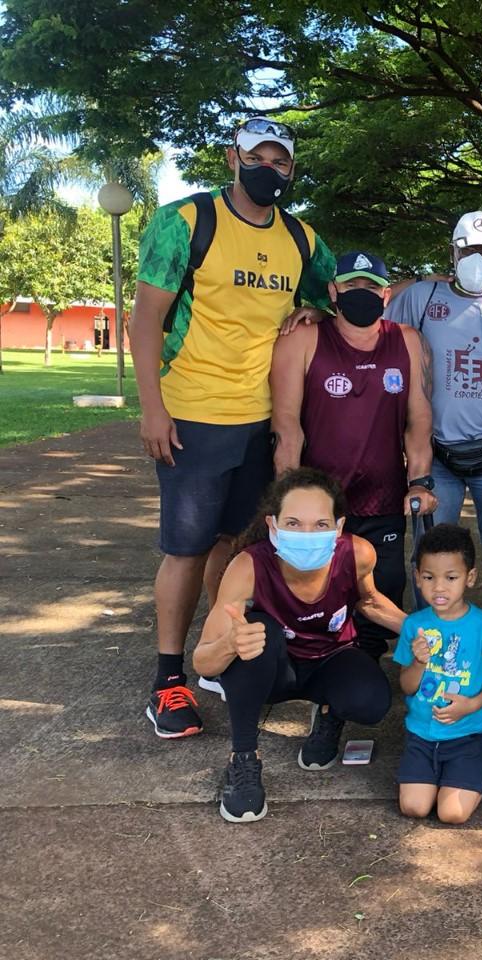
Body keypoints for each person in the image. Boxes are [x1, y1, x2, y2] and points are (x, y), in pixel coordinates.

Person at [131, 116, 336, 739]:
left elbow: (341, 291)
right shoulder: (185, 223)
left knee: (238, 546)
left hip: (262, 421)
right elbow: (145, 321)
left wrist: (314, 306)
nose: (268, 170)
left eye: (281, 162)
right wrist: (152, 408)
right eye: (258, 157)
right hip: (193, 414)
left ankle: (218, 654)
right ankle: (169, 680)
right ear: (232, 158)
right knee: (186, 550)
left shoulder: (301, 239)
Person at [192, 468, 406, 822]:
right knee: (258, 633)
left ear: (338, 527)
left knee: (372, 703)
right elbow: (202, 662)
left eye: (321, 524)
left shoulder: (359, 553)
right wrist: (230, 644)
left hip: (330, 659)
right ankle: (243, 759)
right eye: (293, 522)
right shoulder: (247, 566)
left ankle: (328, 715)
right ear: (273, 525)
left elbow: (369, 601)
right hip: (274, 670)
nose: (307, 533)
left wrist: (420, 630)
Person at [270, 250, 436, 658]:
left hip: (384, 495)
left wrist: (419, 480)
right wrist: (287, 497)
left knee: (384, 588)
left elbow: (418, 418)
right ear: (334, 290)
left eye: (371, 286)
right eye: (351, 285)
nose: (361, 292)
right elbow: (287, 424)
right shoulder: (304, 338)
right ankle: (321, 665)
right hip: (322, 501)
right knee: (317, 591)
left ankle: (361, 666)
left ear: (385, 295)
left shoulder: (407, 341)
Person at [385, 211, 482, 625]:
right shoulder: (423, 300)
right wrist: (424, 279)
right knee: (432, 554)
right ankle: (431, 646)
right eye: (468, 249)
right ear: (452, 251)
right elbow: (377, 299)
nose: (477, 258)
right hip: (437, 457)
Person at [393, 523, 482, 824]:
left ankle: (475, 764)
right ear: (417, 578)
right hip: (422, 734)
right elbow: (407, 686)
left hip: (469, 734)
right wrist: (419, 663)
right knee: (414, 807)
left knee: (452, 813)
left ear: (470, 577)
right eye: (428, 577)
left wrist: (475, 704)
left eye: (451, 577)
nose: (439, 588)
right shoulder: (414, 625)